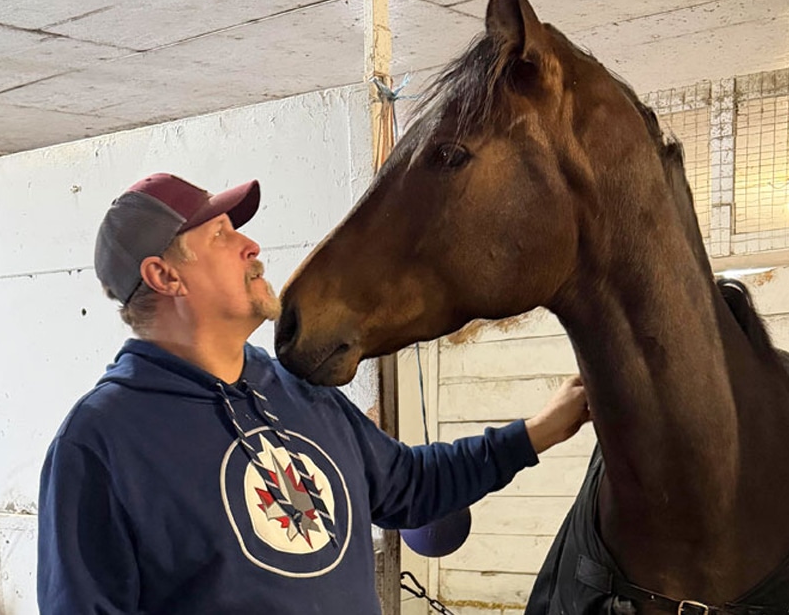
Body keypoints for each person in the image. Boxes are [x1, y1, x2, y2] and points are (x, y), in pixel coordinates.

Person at [37, 172, 591, 614]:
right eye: (221, 236)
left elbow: (410, 487)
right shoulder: (100, 442)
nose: (251, 245)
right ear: (164, 276)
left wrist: (542, 430)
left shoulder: (293, 386)